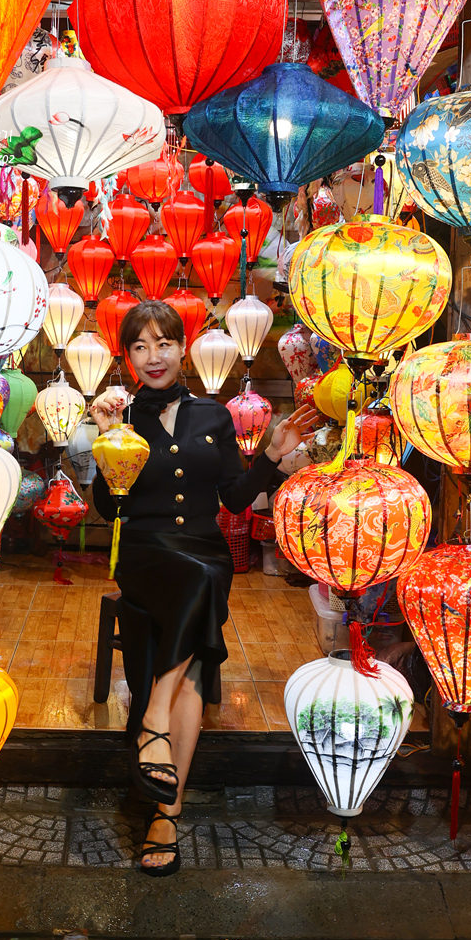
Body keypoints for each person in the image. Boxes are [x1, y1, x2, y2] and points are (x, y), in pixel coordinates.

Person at [90, 299, 306, 877]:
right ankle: (159, 747)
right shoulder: (123, 416)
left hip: (206, 554)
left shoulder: (213, 416)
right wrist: (108, 443)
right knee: (195, 617)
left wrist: (270, 457)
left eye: (164, 343)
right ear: (127, 356)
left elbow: (234, 499)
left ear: (183, 348)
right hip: (144, 553)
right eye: (139, 346)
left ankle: (164, 801)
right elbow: (108, 509)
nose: (153, 356)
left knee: (200, 595)